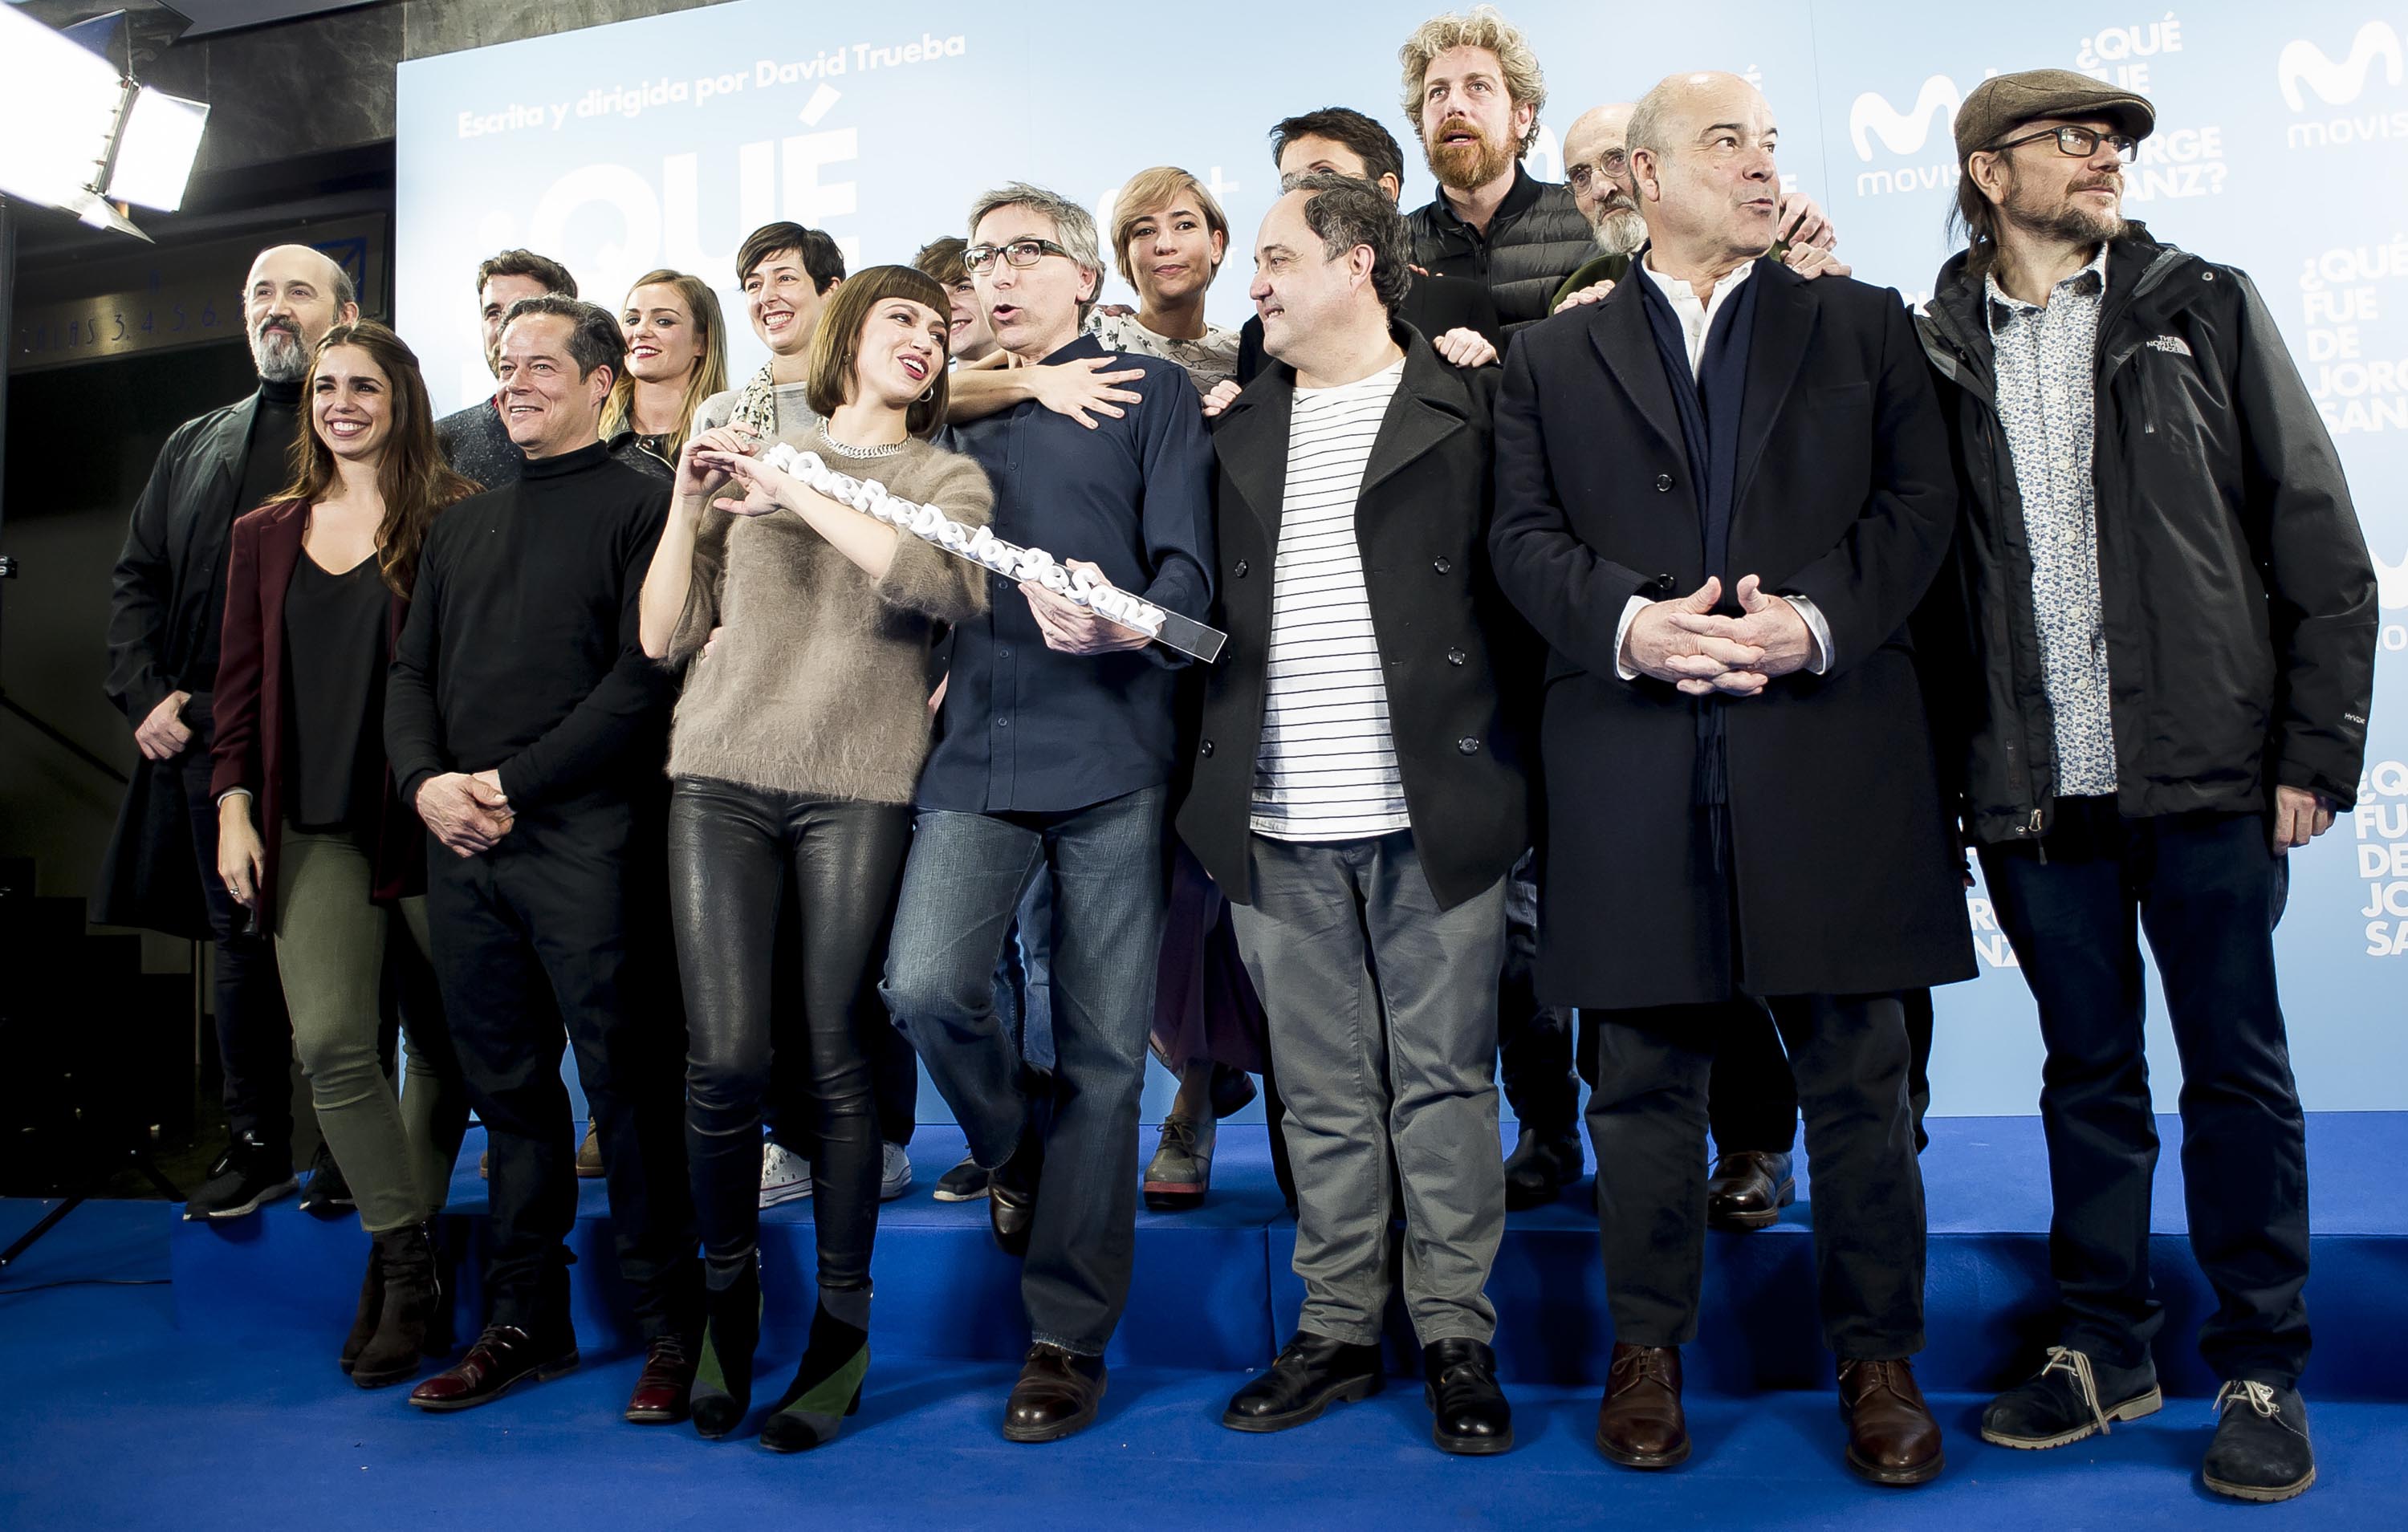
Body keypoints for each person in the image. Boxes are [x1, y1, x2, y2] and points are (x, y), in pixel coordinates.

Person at [1489, 71, 1973, 1485]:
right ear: (1642, 175)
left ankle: (1878, 1356)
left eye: (1770, 143)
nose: (1765, 168)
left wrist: (1811, 618)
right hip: (1630, 756)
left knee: (1861, 1078)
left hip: (1829, 748)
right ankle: (1647, 1349)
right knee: (1639, 1078)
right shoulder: (1546, 360)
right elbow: (1521, 538)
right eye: (1728, 145)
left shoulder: (1866, 323)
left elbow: (1919, 508)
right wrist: (1630, 624)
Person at [1918, 71, 2377, 1504]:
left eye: (2116, 138)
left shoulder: (2205, 307)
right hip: (2034, 786)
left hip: (2207, 775)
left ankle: (2261, 1364)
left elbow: (2317, 536)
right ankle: (2105, 1343)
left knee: (2237, 1072)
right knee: (2090, 1076)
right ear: (1990, 174)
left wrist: (2315, 749)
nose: (2107, 154)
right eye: (2074, 136)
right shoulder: (1929, 347)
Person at [1187, 173, 1526, 1454]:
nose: (1252, 281)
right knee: (1321, 1095)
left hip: (1438, 805)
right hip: (1270, 813)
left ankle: (1455, 1335)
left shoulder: (1471, 397)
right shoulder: (1226, 419)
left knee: (1443, 1085)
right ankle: (1336, 1327)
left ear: (1357, 267)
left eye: (1273, 256)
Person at [881, 181, 1213, 1445]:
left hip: (1117, 744)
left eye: (1026, 253)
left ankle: (1068, 1338)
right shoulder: (946, 408)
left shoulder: (1151, 394)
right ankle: (1019, 1153)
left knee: (1108, 1054)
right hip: (971, 752)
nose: (998, 273)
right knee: (923, 986)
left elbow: (1185, 566)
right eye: (983, 257)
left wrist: (1133, 612)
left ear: (1086, 279)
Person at [638, 265, 992, 1449]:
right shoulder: (747, 449)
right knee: (724, 1060)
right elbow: (662, 635)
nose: (927, 340)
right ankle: (725, 1312)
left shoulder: (945, 478)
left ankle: (841, 1330)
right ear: (849, 334)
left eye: (941, 331)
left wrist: (791, 477)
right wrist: (691, 506)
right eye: (905, 318)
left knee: (838, 1057)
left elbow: (934, 582)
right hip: (723, 771)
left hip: (858, 786)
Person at [387, 297, 702, 1421]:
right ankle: (526, 1323)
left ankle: (674, 1329)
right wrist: (428, 782)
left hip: (592, 841)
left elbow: (644, 677)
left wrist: (511, 785)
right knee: (509, 1099)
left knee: (629, 1091)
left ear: (603, 379)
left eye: (539, 366)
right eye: (503, 365)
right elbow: (409, 675)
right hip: (464, 846)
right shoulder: (463, 524)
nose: (512, 382)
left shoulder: (649, 503)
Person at [210, 321, 474, 1386]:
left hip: (427, 818)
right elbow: (235, 690)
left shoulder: (455, 517)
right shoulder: (262, 533)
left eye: (366, 385)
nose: (343, 402)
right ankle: (404, 1256)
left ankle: (394, 1266)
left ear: (401, 399)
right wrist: (232, 807)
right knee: (328, 1042)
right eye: (327, 386)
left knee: (454, 1044)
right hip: (306, 825)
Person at [99, 242, 358, 1221]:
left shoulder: (370, 432)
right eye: (260, 293)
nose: (275, 308)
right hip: (212, 743)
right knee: (240, 946)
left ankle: (343, 1148)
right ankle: (256, 1145)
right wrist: (144, 694)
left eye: (297, 290)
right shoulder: (195, 442)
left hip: (338, 738)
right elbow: (138, 580)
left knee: (349, 951)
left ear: (343, 310)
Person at [1226, 108, 1502, 389]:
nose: (1303, 197)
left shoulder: (1457, 302)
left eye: (1325, 177)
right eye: (1290, 186)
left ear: (1385, 191)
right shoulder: (1259, 334)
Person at [1396, 7, 1591, 336]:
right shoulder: (1395, 246)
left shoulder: (1586, 218)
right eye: (1437, 92)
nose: (1453, 106)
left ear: (1522, 117)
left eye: (1478, 87)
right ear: (1421, 124)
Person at [1089, 167, 1243, 391]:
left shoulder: (1247, 354)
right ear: (1125, 255)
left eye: (1184, 225)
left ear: (1215, 244)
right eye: (1145, 231)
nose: (1165, 245)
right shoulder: (1094, 333)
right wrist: (1032, 382)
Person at [434, 249, 579, 487]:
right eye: (493, 313)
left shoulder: (610, 433)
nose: (504, 326)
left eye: (521, 309)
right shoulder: (439, 442)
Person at [601, 269, 730, 480]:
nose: (641, 331)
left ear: (702, 342)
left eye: (663, 321)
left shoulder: (722, 445)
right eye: (632, 320)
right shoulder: (590, 437)